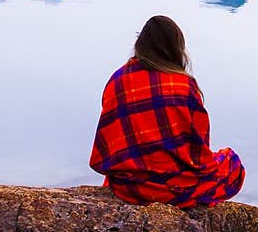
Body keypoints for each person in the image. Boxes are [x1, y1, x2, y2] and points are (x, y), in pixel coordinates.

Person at [89, 15, 245, 208]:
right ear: (176, 48)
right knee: (232, 163)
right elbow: (198, 152)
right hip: (176, 189)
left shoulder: (117, 80)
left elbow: (108, 143)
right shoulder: (182, 85)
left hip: (127, 188)